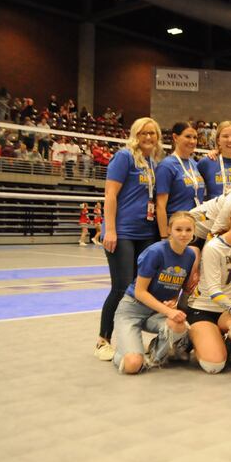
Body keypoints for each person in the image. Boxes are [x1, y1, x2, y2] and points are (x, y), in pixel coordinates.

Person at [97, 118, 165, 361]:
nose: (148, 137)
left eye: (153, 133)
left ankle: (130, 340)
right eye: (143, 133)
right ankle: (103, 340)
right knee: (121, 286)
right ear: (135, 135)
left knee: (140, 289)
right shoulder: (124, 157)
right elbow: (110, 194)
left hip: (146, 233)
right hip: (123, 232)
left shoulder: (153, 163)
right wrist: (110, 229)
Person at [111, 212, 197, 374]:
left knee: (179, 325)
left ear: (194, 232)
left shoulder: (190, 255)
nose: (184, 234)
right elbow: (140, 292)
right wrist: (169, 311)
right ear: (169, 230)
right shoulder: (155, 252)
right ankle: (124, 353)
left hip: (157, 312)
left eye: (188, 230)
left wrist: (172, 302)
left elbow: (176, 285)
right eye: (178, 229)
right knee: (133, 365)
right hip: (132, 310)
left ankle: (153, 356)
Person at [186, 201, 231, 374]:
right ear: (230, 219)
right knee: (214, 365)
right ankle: (187, 339)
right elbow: (214, 291)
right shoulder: (214, 247)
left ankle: (227, 340)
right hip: (203, 309)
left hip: (227, 311)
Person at [155, 122, 204, 238]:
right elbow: (160, 205)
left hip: (193, 227)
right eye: (188, 136)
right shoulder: (166, 166)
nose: (192, 141)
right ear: (175, 137)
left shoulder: (194, 164)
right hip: (175, 228)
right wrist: (164, 236)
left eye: (195, 137)